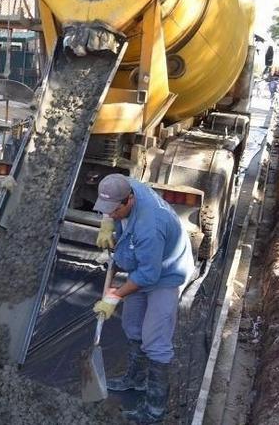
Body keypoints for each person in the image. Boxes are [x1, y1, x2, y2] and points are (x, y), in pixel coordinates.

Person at [92, 173, 195, 424]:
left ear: (129, 201)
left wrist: (114, 295)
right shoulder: (126, 186)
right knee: (132, 326)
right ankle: (135, 380)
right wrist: (107, 223)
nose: (111, 213)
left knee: (155, 341)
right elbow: (114, 196)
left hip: (166, 273)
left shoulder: (149, 226)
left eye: (113, 210)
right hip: (142, 266)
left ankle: (154, 412)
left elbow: (149, 276)